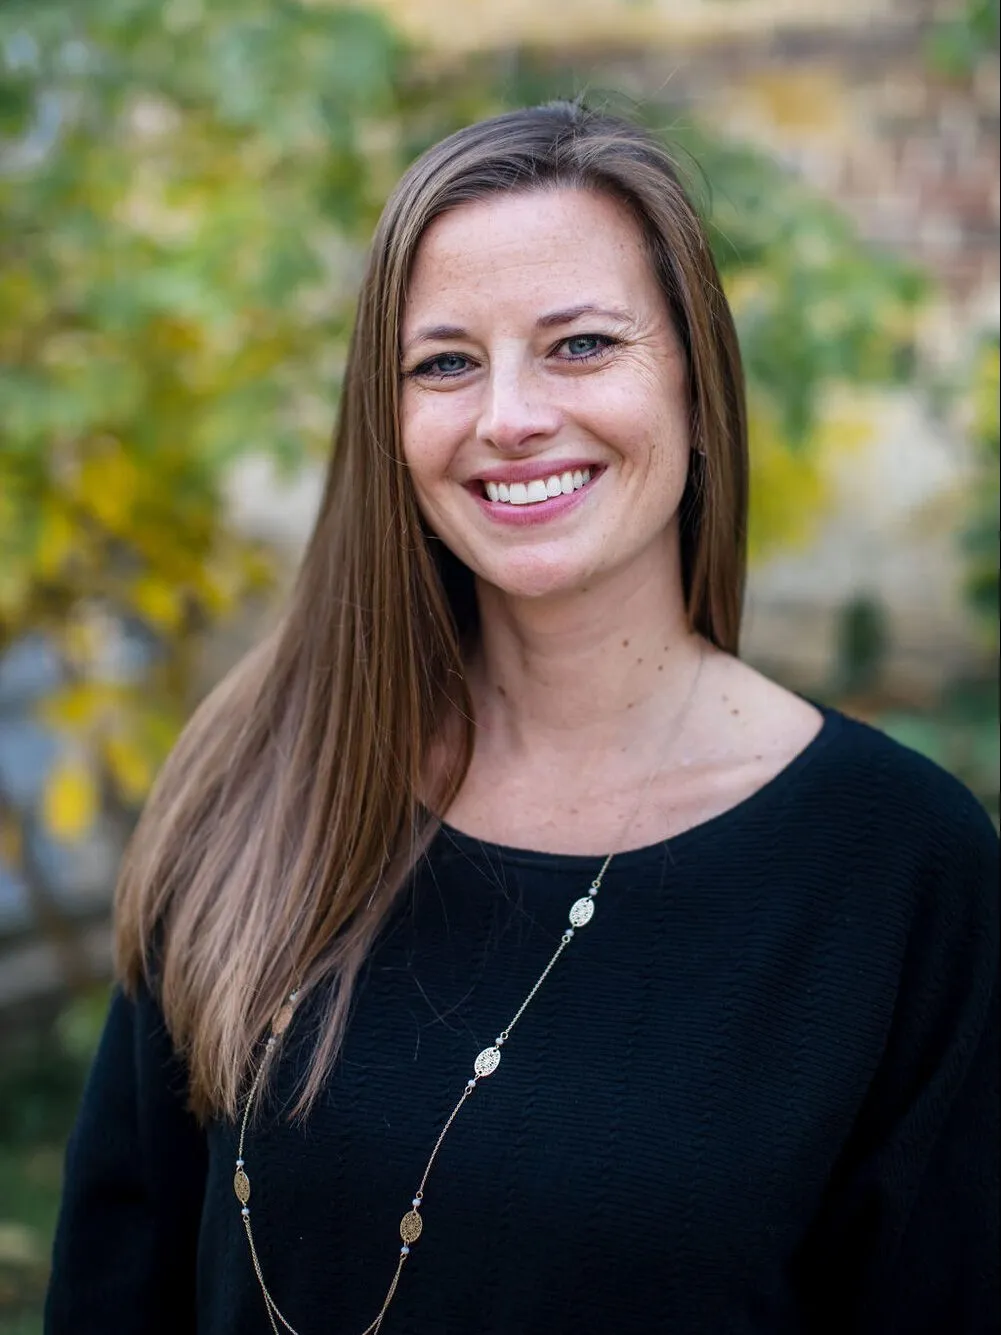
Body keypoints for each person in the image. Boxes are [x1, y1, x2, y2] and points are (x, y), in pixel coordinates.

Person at [46, 101, 998, 1335]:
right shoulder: (257, 781)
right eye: (444, 363)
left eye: (580, 345)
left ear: (697, 387)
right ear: (389, 426)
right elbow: (114, 1282)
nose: (507, 416)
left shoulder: (899, 866)